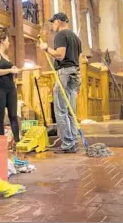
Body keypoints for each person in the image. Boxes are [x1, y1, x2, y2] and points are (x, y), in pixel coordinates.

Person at [38, 13, 86, 154]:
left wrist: (46, 48)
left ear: (58, 21)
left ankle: (68, 143)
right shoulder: (76, 38)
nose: (53, 25)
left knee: (61, 110)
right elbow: (79, 58)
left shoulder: (60, 35)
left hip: (64, 73)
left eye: (53, 23)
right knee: (71, 110)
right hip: (75, 73)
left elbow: (60, 55)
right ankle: (73, 141)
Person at [0, 28, 21, 149]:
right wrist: (10, 70)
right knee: (0, 116)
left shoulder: (6, 56)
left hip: (10, 88)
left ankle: (18, 142)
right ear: (2, 40)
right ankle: (2, 144)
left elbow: (9, 71)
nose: (9, 43)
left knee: (13, 115)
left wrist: (15, 70)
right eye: (7, 40)